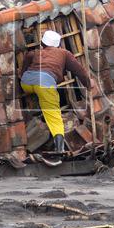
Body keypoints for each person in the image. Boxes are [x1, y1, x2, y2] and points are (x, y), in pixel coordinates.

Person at [18, 30, 94, 159]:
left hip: (26, 83)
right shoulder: (65, 54)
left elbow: (24, 67)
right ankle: (59, 149)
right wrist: (88, 84)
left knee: (39, 90)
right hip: (44, 83)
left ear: (42, 43)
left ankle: (37, 95)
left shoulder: (34, 53)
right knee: (54, 116)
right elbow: (79, 70)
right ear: (58, 44)